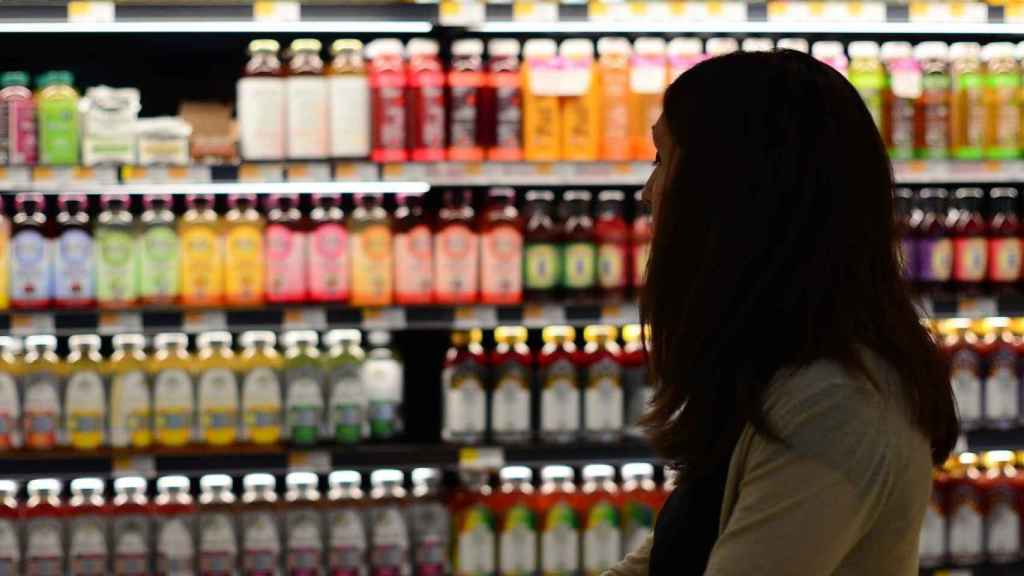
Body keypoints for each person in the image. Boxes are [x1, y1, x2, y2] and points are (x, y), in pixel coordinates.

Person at [606, 49, 959, 575]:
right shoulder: (776, 370)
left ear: (730, 193)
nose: (648, 191)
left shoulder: (837, 407)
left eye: (662, 159)